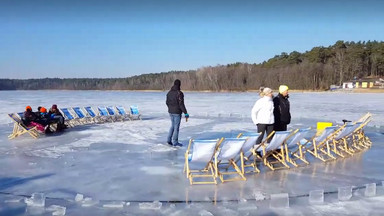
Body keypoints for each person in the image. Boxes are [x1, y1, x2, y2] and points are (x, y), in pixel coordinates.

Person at [166, 79, 189, 147]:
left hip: (171, 112)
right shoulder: (179, 93)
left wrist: (170, 108)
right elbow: (181, 104)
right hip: (177, 112)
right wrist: (186, 113)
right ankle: (175, 142)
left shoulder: (169, 92)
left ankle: (169, 140)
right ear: (179, 85)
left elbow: (167, 102)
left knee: (172, 126)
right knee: (176, 128)